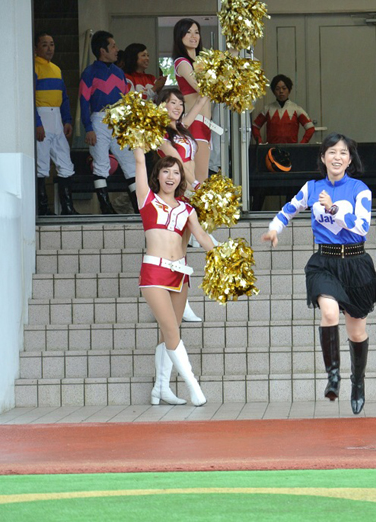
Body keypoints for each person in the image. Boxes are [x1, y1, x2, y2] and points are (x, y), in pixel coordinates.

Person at [261, 133, 376, 415]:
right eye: (331, 152)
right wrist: (274, 228)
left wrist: (333, 209)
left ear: (350, 159)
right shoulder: (312, 188)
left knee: (357, 332)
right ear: (323, 157)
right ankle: (333, 376)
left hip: (355, 263)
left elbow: (362, 227)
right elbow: (289, 209)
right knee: (329, 313)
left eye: (343, 152)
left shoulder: (360, 190)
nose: (337, 157)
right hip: (324, 262)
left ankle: (358, 382)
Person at [132, 146, 214, 407]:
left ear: (181, 178)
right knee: (170, 330)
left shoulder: (187, 209)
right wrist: (138, 141)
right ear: (157, 175)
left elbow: (202, 237)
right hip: (154, 272)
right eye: (166, 171)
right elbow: (139, 161)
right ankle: (194, 387)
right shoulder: (147, 199)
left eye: (176, 172)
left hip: (180, 274)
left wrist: (222, 257)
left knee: (169, 332)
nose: (171, 176)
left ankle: (161, 388)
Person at [154, 86, 211, 323]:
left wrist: (209, 90)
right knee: (174, 250)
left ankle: (178, 300)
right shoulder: (160, 134)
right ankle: (172, 300)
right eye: (172, 102)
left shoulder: (181, 128)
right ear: (162, 105)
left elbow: (197, 107)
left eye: (180, 103)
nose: (177, 107)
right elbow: (177, 163)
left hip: (189, 192)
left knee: (182, 250)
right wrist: (195, 186)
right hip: (176, 193)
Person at [79, 30, 138, 214]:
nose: (117, 49)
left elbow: (126, 100)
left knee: (130, 163)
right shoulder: (89, 73)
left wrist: (129, 125)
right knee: (101, 164)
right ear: (102, 50)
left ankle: (138, 206)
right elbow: (83, 102)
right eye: (113, 46)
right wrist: (88, 128)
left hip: (119, 121)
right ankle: (105, 207)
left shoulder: (119, 73)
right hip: (99, 120)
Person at [34, 31, 78, 216]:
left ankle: (67, 208)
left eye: (51, 44)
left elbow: (65, 97)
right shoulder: (33, 67)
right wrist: (37, 123)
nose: (49, 48)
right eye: (44, 45)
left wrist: (67, 119)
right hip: (42, 115)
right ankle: (42, 208)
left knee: (65, 163)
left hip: (57, 117)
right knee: (42, 164)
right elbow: (30, 97)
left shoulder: (57, 69)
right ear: (36, 48)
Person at [172, 18, 217, 184]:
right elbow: (201, 88)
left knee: (200, 178)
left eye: (196, 32)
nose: (193, 36)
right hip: (195, 123)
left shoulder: (200, 63)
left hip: (205, 124)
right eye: (188, 32)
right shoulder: (181, 62)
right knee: (200, 180)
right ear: (180, 36)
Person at [252, 74, 315, 144]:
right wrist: (260, 143)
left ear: (289, 90)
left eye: (284, 88)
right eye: (277, 89)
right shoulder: (267, 109)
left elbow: (310, 128)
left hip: (291, 149)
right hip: (271, 149)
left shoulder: (296, 109)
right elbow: (255, 126)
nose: (281, 91)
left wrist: (301, 145)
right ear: (274, 91)